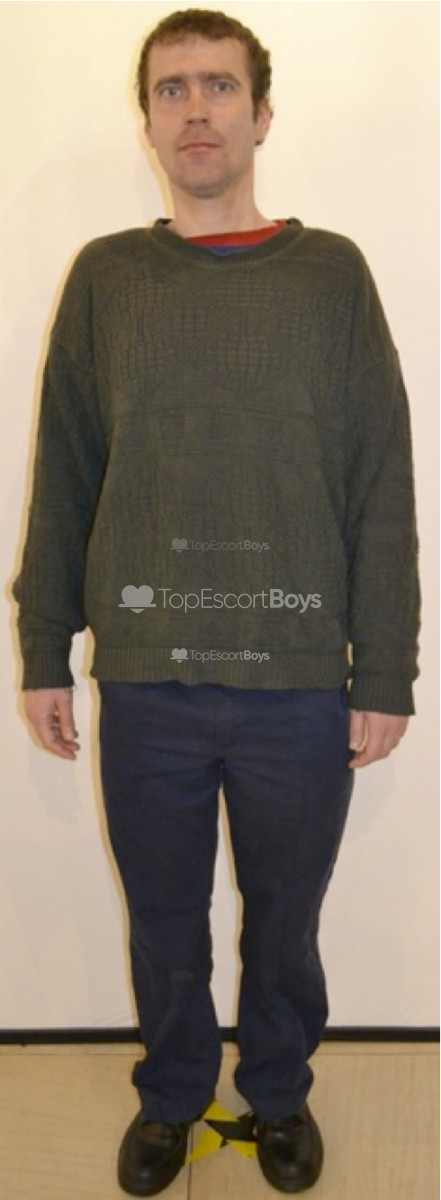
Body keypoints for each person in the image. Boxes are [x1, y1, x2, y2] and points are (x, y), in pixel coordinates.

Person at [12, 7, 421, 1196]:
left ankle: (280, 1091)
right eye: (173, 89)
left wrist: (385, 668)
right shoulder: (108, 280)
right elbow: (65, 471)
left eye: (220, 86)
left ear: (262, 113)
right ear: (147, 120)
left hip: (299, 682)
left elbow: (381, 480)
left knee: (286, 922)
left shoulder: (332, 275)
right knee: (164, 921)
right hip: (149, 679)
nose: (196, 109)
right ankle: (173, 1093)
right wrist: (44, 646)